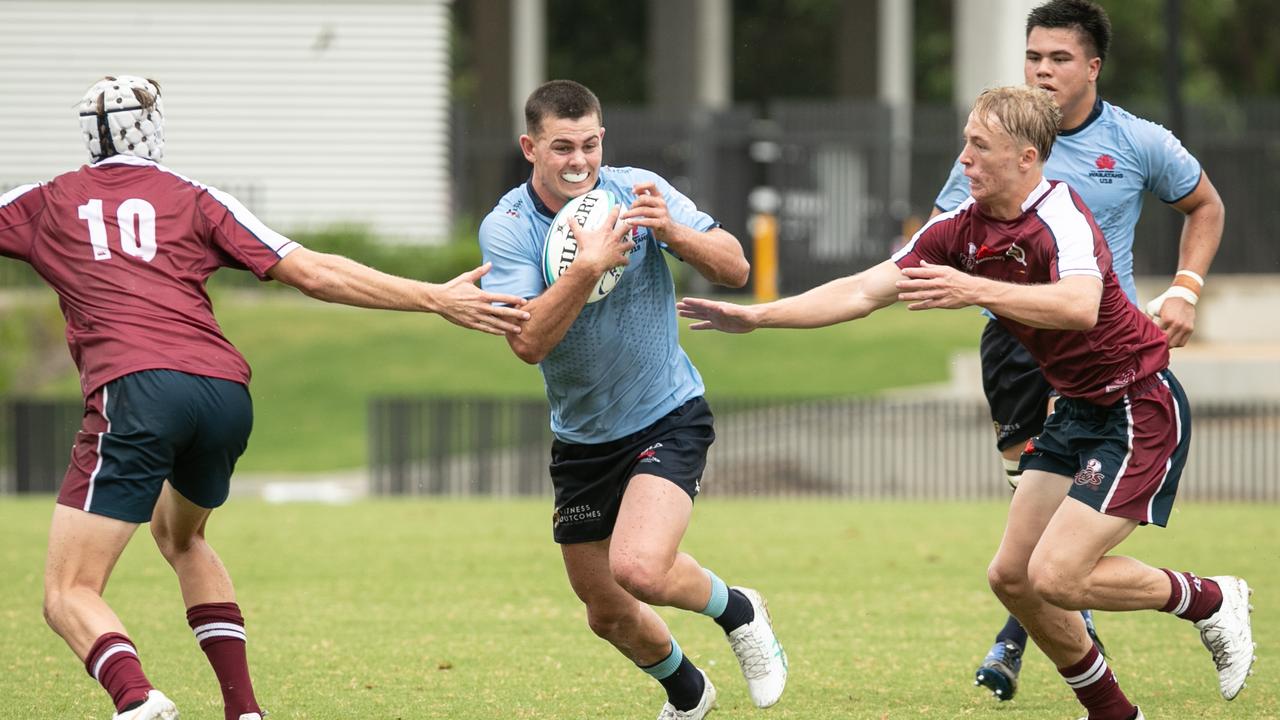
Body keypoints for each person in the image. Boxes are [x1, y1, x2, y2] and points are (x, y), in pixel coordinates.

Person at [679, 85, 1254, 720]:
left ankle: (1209, 599)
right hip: (1077, 411)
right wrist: (759, 318)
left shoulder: (1060, 214)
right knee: (1012, 578)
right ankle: (1114, 712)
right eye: (965, 143)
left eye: (980, 146)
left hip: (1137, 407)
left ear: (1026, 157)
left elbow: (1079, 305)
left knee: (1058, 577)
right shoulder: (961, 225)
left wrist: (970, 286)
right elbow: (866, 288)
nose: (965, 159)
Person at [0, 75, 531, 720]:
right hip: (222, 393)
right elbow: (312, 272)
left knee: (67, 592)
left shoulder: (46, 200)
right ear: (155, 127)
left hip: (134, 390)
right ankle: (244, 710)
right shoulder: (194, 197)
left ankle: (136, 700)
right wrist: (433, 296)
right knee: (182, 537)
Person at [931, 0, 1226, 699]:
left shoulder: (1137, 141)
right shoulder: (995, 141)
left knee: (1053, 557)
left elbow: (1205, 206)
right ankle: (1052, 628)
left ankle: (1020, 635)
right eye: (1033, 56)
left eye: (1059, 58)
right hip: (1013, 338)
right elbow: (949, 229)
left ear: (1092, 66)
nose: (1042, 70)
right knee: (1025, 529)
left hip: (1099, 344)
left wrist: (1185, 287)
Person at [477, 79, 787, 719]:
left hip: (666, 412)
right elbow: (528, 342)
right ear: (530, 146)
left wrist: (673, 229)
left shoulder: (638, 189)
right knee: (606, 610)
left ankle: (739, 609)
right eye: (562, 147)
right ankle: (689, 692)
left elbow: (735, 267)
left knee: (641, 570)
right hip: (583, 437)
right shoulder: (507, 228)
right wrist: (586, 268)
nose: (579, 162)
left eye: (590, 144)